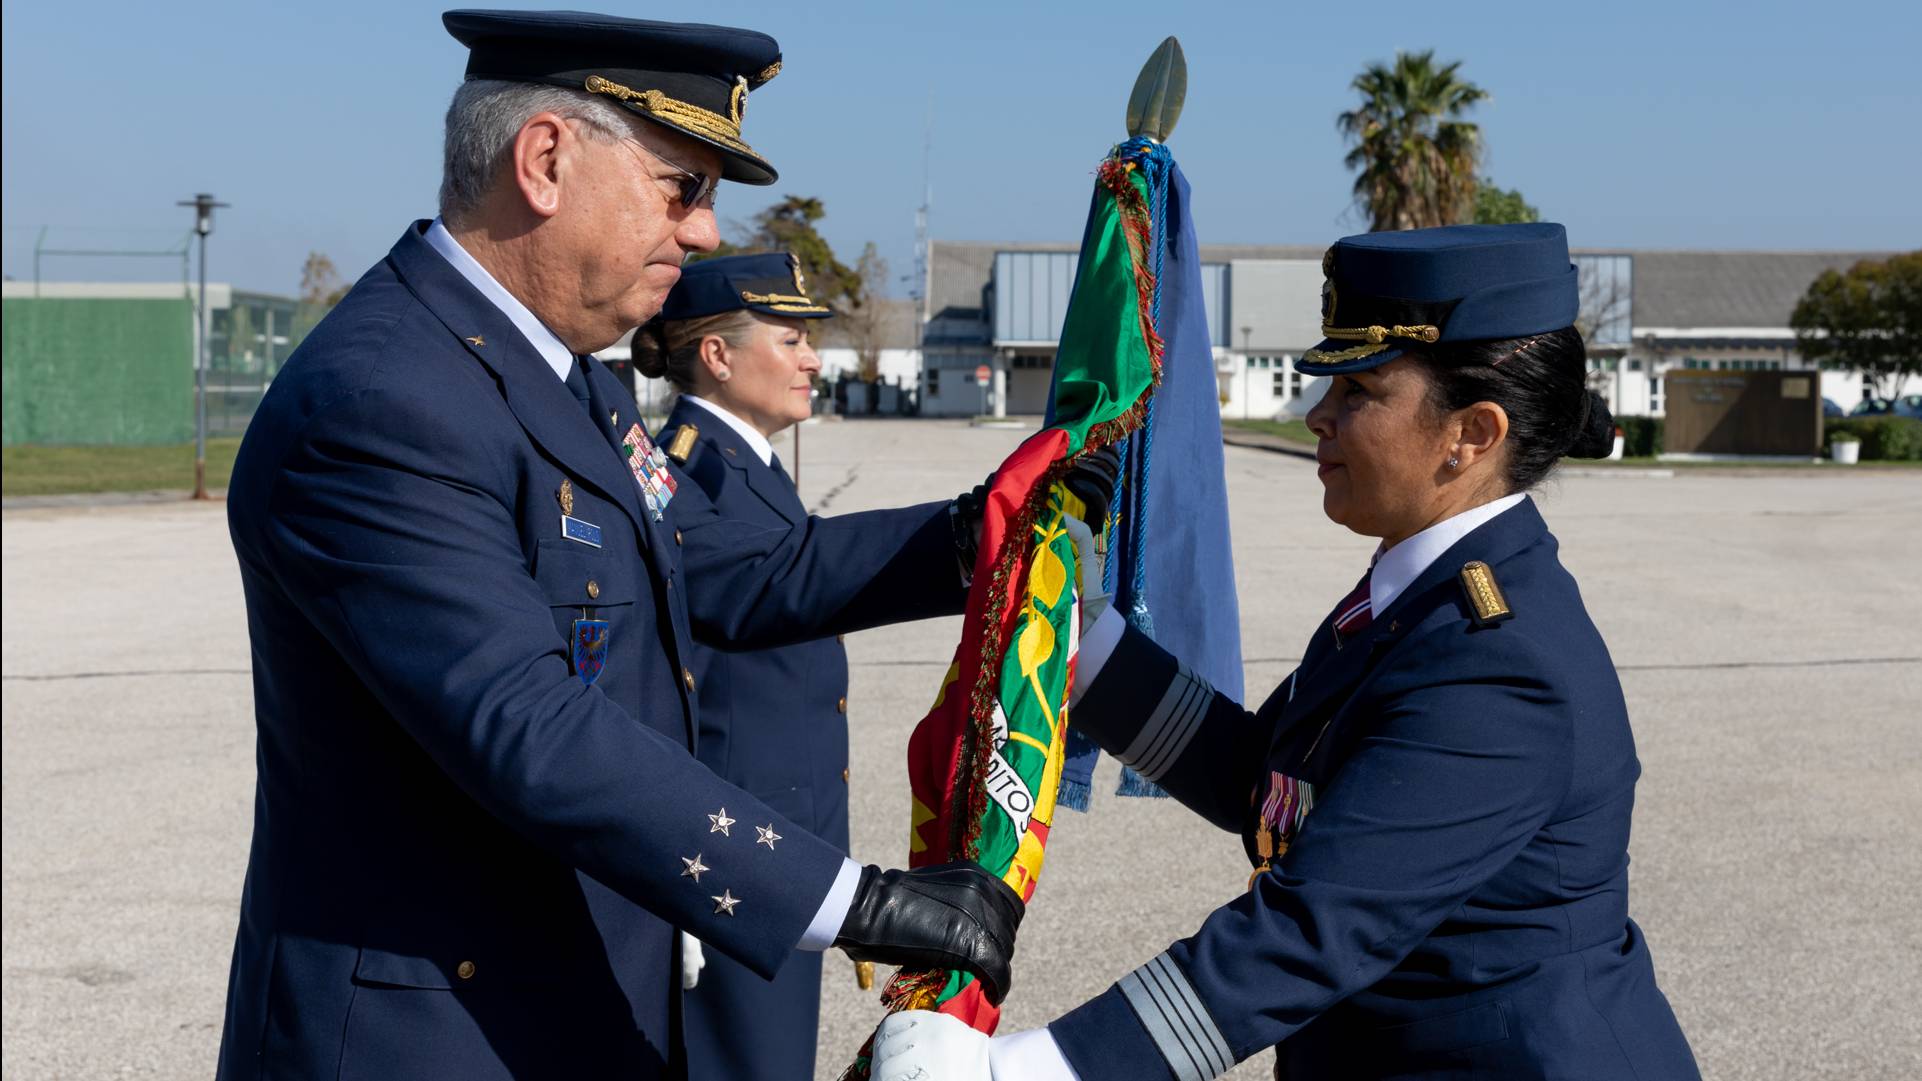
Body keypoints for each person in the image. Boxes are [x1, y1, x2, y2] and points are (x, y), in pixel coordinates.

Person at [216, 11, 1027, 1079]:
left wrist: (987, 531)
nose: (700, 234)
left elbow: (726, 577)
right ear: (545, 160)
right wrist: (852, 899)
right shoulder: (381, 400)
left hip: (574, 995)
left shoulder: (577, 386)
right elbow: (526, 722)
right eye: (681, 188)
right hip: (430, 1035)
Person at [874, 223, 1702, 1081]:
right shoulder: (1415, 588)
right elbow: (1265, 784)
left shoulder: (1499, 662)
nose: (1319, 416)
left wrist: (1037, 1070)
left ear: (1472, 433)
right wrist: (1084, 644)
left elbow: (1314, 929)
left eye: (1362, 391)